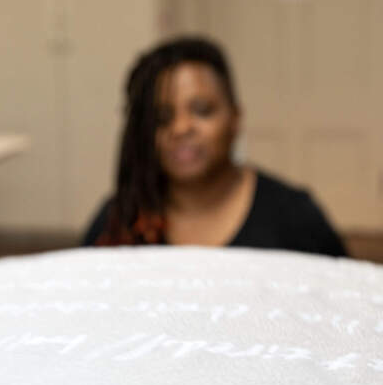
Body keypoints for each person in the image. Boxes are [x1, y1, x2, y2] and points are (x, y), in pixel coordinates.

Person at [81, 36, 347, 257]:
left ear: (235, 119)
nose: (181, 128)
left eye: (202, 111)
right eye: (162, 118)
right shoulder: (120, 217)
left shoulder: (295, 216)